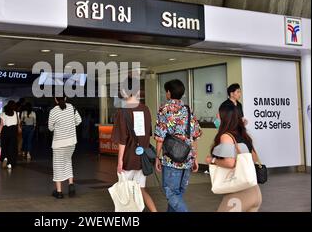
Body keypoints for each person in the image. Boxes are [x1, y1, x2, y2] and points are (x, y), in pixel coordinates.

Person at [111, 77, 158, 212]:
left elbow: (122, 140)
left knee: (125, 193)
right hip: (142, 158)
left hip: (128, 159)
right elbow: (148, 134)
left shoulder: (123, 111)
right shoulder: (146, 109)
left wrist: (120, 161)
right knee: (140, 190)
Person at [155, 79, 202, 212]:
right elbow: (195, 135)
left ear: (169, 93)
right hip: (187, 157)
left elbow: (160, 136)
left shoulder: (164, 109)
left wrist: (157, 157)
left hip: (171, 159)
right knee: (178, 192)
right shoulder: (188, 109)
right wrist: (195, 158)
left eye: (166, 91)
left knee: (170, 192)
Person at [206, 105, 262, 212]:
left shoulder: (226, 136)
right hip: (255, 191)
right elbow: (254, 158)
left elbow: (230, 163)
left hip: (240, 194)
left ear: (225, 117)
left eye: (218, 114)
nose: (216, 116)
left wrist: (212, 160)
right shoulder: (244, 135)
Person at [48, 96, 82, 199]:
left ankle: (59, 192)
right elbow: (79, 120)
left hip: (59, 143)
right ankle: (71, 186)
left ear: (55, 99)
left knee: (58, 166)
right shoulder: (71, 107)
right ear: (66, 98)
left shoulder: (53, 111)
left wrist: (58, 127)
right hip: (71, 142)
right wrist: (70, 126)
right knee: (68, 162)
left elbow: (50, 127)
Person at [0, 101, 20, 169]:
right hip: (13, 131)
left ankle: (5, 158)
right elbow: (18, 123)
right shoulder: (17, 113)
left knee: (4, 146)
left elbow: (1, 124)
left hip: (5, 131)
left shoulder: (3, 114)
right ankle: (10, 163)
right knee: (12, 148)